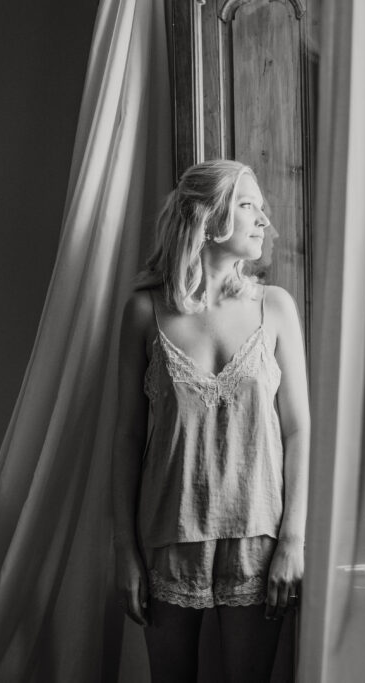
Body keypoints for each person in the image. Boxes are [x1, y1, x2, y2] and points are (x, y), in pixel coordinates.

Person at [112, 159, 311, 682]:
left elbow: (299, 430)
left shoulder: (276, 308)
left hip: (258, 537)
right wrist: (124, 550)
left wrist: (294, 540)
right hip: (168, 534)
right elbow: (127, 437)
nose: (264, 220)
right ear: (206, 218)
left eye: (261, 208)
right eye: (248, 206)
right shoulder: (144, 312)